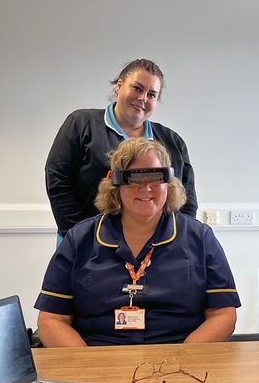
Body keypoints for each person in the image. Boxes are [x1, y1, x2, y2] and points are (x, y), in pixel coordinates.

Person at [36, 138, 240, 346]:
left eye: (156, 177)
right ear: (115, 184)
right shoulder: (79, 239)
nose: (146, 188)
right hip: (98, 357)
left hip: (178, 359)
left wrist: (182, 358)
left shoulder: (200, 238)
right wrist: (88, 365)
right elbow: (52, 319)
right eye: (134, 178)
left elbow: (223, 315)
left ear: (169, 184)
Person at [45, 58, 197, 243]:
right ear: (119, 86)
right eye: (137, 88)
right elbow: (58, 180)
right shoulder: (81, 124)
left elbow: (187, 201)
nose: (143, 98)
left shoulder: (173, 142)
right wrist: (80, 237)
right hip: (86, 243)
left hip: (154, 249)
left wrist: (178, 242)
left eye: (152, 94)